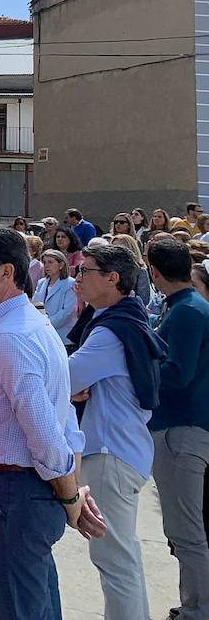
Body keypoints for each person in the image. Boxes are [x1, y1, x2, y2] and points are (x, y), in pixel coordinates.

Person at [0, 227, 102, 620]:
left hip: (15, 492)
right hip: (17, 494)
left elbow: (44, 431)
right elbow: (64, 422)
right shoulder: (21, 324)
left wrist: (70, 496)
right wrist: (69, 488)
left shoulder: (13, 335)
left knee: (13, 609)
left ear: (7, 273)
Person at [68, 244, 165, 620]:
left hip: (111, 453)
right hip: (124, 448)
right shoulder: (125, 318)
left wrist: (73, 385)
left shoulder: (110, 331)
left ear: (113, 279)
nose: (79, 279)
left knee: (115, 562)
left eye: (86, 271)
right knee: (125, 560)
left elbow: (66, 377)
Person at [146, 239, 209, 620]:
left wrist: (136, 367)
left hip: (182, 430)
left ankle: (198, 609)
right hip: (181, 427)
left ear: (154, 272)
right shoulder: (185, 307)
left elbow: (177, 373)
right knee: (185, 530)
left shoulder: (188, 312)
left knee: (186, 531)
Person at [35, 249, 79, 347]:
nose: (46, 265)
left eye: (50, 262)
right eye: (44, 262)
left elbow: (66, 313)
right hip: (43, 335)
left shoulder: (70, 283)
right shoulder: (41, 282)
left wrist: (46, 324)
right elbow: (36, 304)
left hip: (62, 336)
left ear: (61, 265)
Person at [107, 233, 152, 304]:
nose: (116, 251)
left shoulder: (140, 271)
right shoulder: (105, 269)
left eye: (121, 248)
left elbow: (144, 299)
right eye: (113, 248)